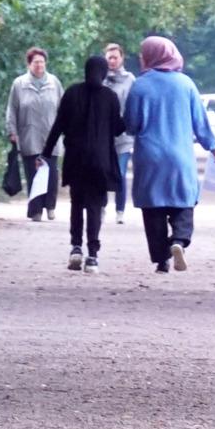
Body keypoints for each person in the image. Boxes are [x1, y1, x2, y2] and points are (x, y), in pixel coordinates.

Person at [122, 35, 215, 274]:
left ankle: (161, 259)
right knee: (183, 202)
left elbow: (131, 125)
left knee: (153, 208)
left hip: (149, 157)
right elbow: (200, 122)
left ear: (150, 56)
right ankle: (179, 240)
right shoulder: (186, 84)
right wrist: (213, 147)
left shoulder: (140, 85)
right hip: (179, 156)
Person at [41, 53, 126, 270]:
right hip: (101, 161)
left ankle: (76, 247)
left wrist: (46, 153)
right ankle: (93, 256)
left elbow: (58, 125)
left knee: (77, 204)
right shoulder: (110, 97)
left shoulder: (72, 93)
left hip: (75, 159)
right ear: (104, 72)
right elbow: (118, 129)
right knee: (95, 207)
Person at [5, 47, 62, 222]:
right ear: (29, 64)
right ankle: (35, 210)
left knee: (51, 175)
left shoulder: (54, 82)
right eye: (36, 62)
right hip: (29, 135)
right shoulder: (19, 84)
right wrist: (12, 131)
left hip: (51, 135)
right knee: (33, 174)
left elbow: (64, 107)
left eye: (42, 62)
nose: (39, 65)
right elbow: (12, 110)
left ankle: (50, 206)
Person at [100, 42, 135, 218]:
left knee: (119, 172)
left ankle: (120, 210)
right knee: (102, 171)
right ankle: (101, 206)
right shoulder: (100, 78)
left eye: (115, 57)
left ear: (122, 58)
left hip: (123, 135)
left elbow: (133, 105)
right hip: (102, 135)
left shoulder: (130, 79)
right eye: (109, 58)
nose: (112, 61)